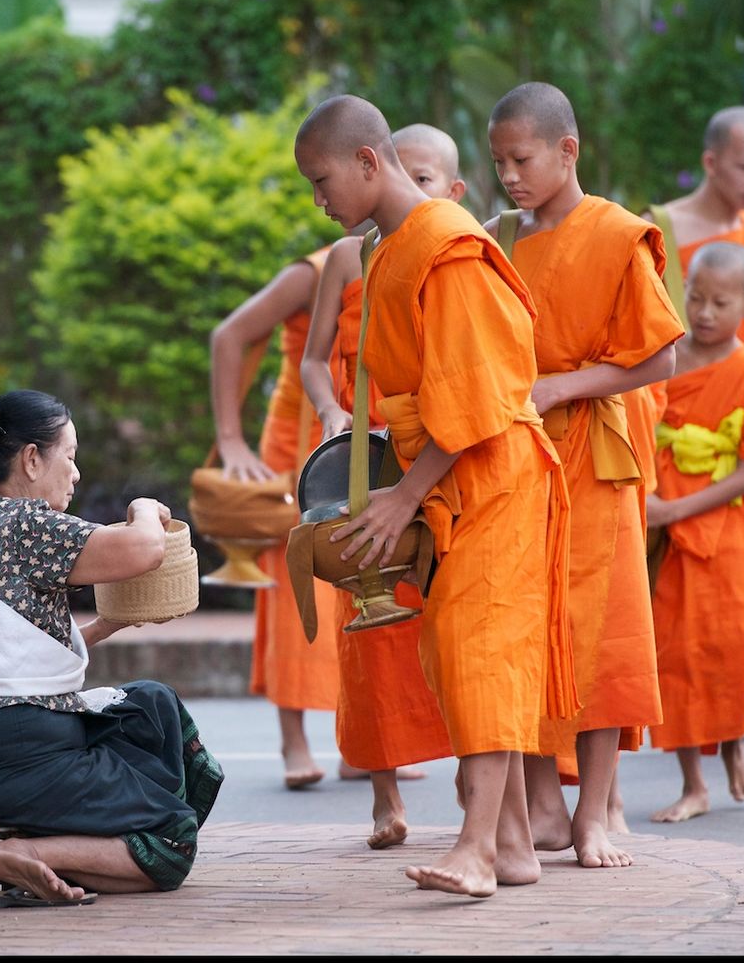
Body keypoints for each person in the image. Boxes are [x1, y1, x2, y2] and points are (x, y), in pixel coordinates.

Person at [295, 94, 577, 897]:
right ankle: (515, 845)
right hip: (447, 472)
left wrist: (401, 497)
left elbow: (478, 395)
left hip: (492, 471)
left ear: (366, 162)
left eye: (322, 181)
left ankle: (478, 851)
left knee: (477, 650)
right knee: (454, 654)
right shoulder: (388, 249)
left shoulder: (448, 246)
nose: (319, 199)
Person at [484, 82, 683, 867]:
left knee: (602, 633)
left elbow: (660, 354)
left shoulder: (616, 232)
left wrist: (563, 385)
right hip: (522, 455)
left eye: (522, 159)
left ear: (568, 150)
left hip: (595, 457)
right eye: (498, 161)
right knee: (525, 628)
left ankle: (596, 812)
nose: (509, 176)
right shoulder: (501, 238)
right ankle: (542, 803)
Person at [0, 389, 224, 904]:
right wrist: (144, 507)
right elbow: (145, 548)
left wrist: (105, 626)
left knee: (149, 704)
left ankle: (49, 847)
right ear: (32, 460)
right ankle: (33, 854)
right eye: (70, 456)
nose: (76, 472)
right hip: (17, 752)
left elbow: (7, 661)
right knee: (173, 837)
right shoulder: (22, 521)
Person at [299, 123, 463, 850]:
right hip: (355, 459)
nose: (418, 191)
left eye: (430, 180)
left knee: (442, 617)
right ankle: (384, 793)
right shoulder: (348, 254)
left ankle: (470, 774)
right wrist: (333, 412)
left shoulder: (450, 246)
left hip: (427, 452)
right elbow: (313, 361)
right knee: (363, 629)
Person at [646, 106, 744, 749]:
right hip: (677, 439)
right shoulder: (658, 229)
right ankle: (689, 707)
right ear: (712, 162)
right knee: (684, 586)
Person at [646, 242, 744, 821]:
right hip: (664, 537)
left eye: (720, 302)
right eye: (696, 298)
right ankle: (693, 784)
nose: (705, 312)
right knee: (676, 653)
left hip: (727, 532)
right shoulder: (663, 360)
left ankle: (736, 745)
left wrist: (672, 511)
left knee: (732, 647)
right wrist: (653, 509)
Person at [209, 242, 348, 789]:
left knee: (362, 580)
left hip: (355, 434)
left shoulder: (401, 255)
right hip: (296, 444)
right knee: (296, 589)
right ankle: (293, 739)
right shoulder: (311, 271)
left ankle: (359, 741)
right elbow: (229, 336)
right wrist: (230, 441)